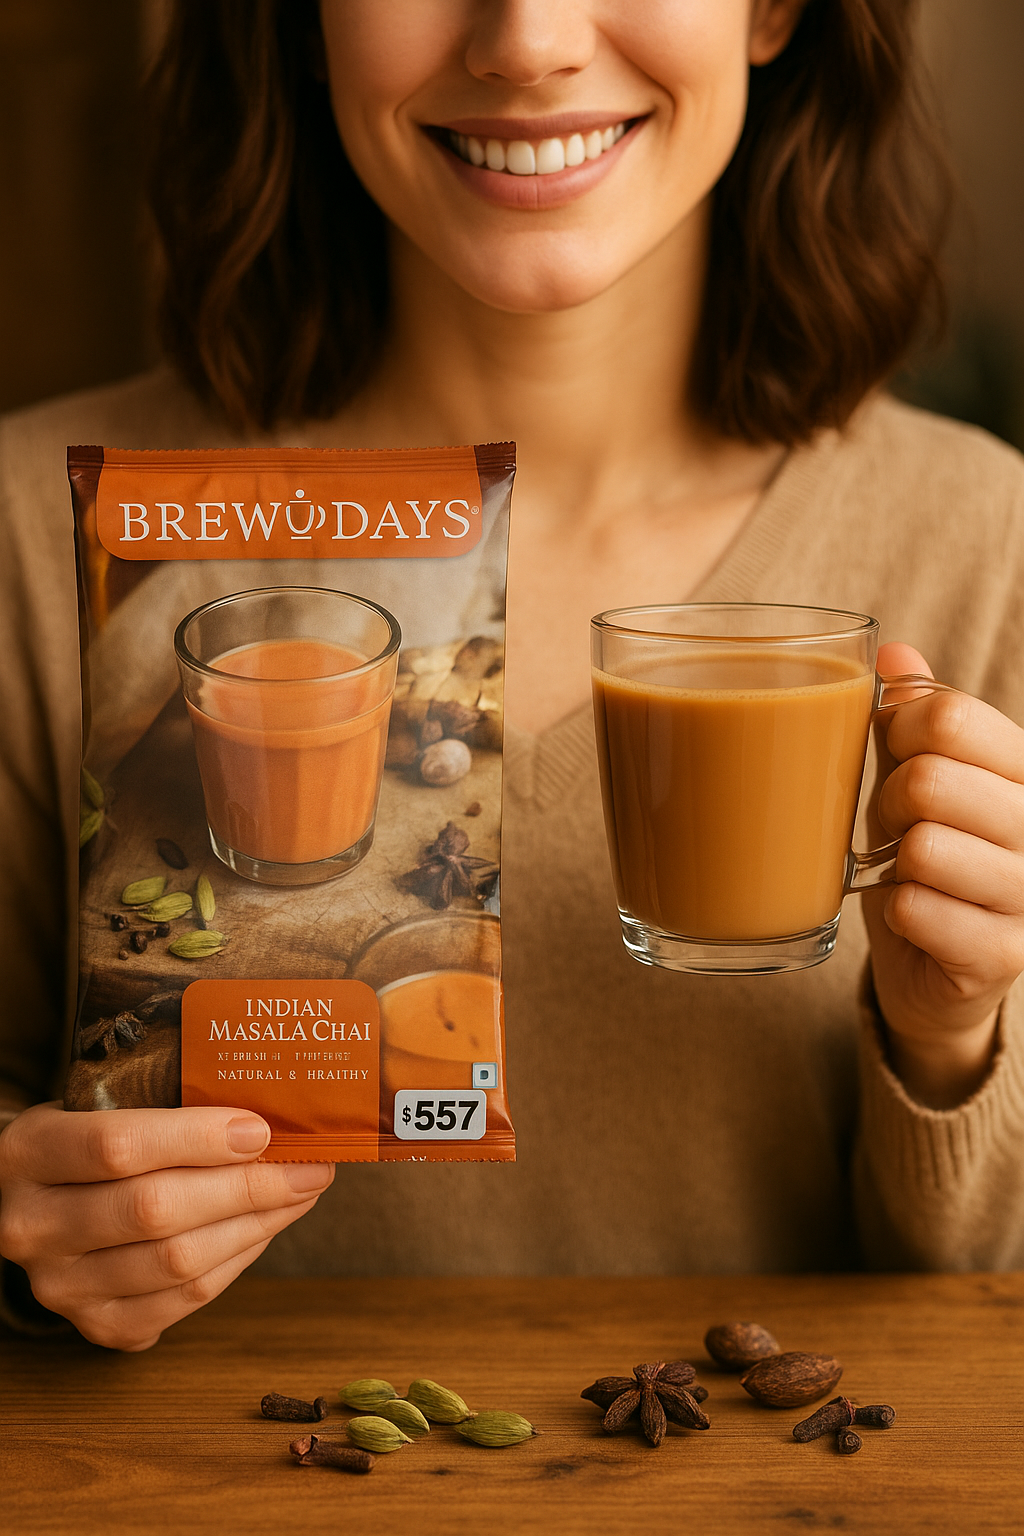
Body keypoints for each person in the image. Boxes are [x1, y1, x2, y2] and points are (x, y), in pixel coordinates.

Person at [2, 0, 1024, 1352]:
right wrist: (23, 1241)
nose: (528, 39)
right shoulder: (37, 531)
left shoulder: (984, 547)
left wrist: (947, 1038)